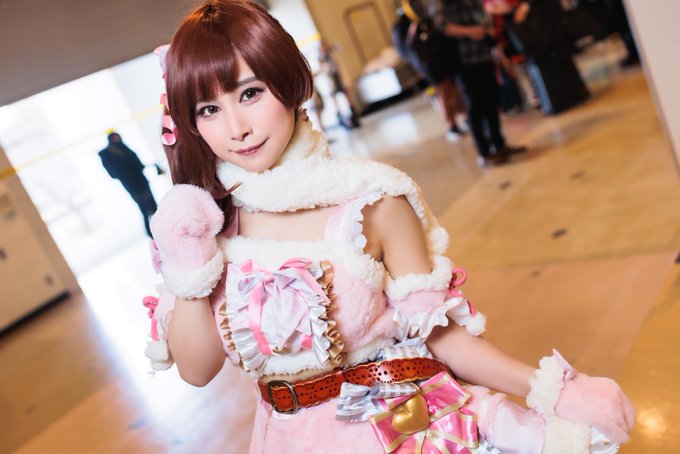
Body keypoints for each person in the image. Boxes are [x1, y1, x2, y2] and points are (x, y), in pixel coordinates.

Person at [143, 1, 634, 452]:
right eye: (209, 109)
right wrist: (190, 263)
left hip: (393, 432)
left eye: (250, 93)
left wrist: (554, 391)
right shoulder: (208, 223)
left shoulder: (372, 201)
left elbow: (444, 338)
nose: (237, 128)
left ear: (290, 83)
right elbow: (197, 371)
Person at [434, 0, 528, 167]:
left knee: (492, 102)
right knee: (475, 107)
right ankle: (484, 153)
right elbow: (441, 26)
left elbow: (482, 16)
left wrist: (489, 32)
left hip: (484, 56)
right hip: (464, 62)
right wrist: (470, 31)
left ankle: (499, 145)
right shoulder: (442, 3)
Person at [393, 0, 469, 140]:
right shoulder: (404, 24)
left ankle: (463, 116)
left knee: (451, 89)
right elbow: (405, 49)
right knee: (444, 91)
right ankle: (451, 124)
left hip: (440, 58)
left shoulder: (426, 17)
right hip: (429, 63)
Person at [98, 131, 157, 237]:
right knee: (146, 209)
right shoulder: (107, 154)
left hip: (141, 182)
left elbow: (138, 164)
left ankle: (157, 231)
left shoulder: (124, 149)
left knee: (152, 207)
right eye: (114, 138)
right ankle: (151, 233)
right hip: (133, 186)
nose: (117, 140)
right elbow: (113, 174)